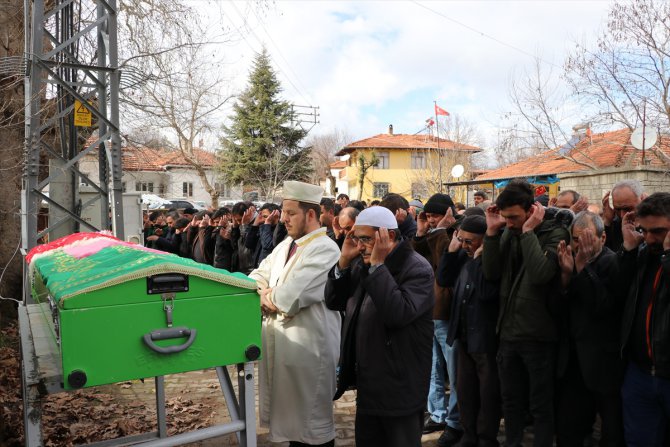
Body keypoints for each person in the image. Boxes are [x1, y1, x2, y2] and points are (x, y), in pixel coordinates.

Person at [325, 206, 434, 447]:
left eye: (366, 239)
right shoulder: (361, 262)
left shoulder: (417, 268)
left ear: (389, 236)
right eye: (357, 238)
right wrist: (343, 261)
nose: (360, 245)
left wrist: (377, 268)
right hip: (370, 381)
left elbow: (398, 313)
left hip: (400, 384)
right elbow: (334, 301)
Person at [248, 181, 341, 447]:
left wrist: (267, 295)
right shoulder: (286, 244)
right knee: (292, 428)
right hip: (284, 345)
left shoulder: (325, 248)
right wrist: (266, 292)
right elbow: (256, 275)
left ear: (310, 215)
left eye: (291, 213)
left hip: (309, 349)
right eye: (283, 211)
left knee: (312, 427)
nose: (283, 219)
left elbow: (291, 297)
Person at [482, 179, 570, 447]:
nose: (509, 222)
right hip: (508, 333)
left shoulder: (556, 233)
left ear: (531, 210)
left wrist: (529, 233)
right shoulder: (508, 230)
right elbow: (491, 273)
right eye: (505, 217)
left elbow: (541, 274)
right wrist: (491, 234)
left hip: (539, 334)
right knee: (511, 402)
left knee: (540, 404)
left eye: (514, 217)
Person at [555, 211, 624, 447]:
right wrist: (565, 276)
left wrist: (583, 269)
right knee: (569, 426)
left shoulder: (612, 262)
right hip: (573, 360)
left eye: (586, 238)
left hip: (602, 362)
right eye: (575, 239)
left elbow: (603, 307)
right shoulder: (569, 261)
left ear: (602, 239)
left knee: (611, 428)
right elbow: (560, 309)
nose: (580, 245)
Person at [438, 215, 501, 447]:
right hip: (464, 336)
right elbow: (443, 278)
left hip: (484, 338)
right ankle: (469, 434)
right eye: (461, 240)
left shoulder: (490, 260)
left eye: (469, 241)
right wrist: (452, 251)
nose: (465, 245)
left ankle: (486, 437)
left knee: (487, 394)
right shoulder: (462, 255)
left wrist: (477, 258)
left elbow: (486, 292)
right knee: (464, 391)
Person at [618, 192, 670, 447]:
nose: (648, 238)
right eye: (643, 230)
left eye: (658, 231)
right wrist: (628, 250)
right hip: (639, 374)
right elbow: (617, 295)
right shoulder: (642, 254)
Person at [413, 193, 462, 443]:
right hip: (429, 311)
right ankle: (437, 413)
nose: (431, 220)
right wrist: (421, 231)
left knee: (453, 371)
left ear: (448, 213)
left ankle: (455, 420)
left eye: (435, 215)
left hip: (447, 312)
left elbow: (445, 264)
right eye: (428, 215)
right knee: (433, 367)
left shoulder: (456, 234)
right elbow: (419, 256)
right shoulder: (434, 234)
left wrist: (442, 229)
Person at [602, 179, 644, 251]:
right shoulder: (614, 224)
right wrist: (607, 222)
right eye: (618, 209)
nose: (622, 215)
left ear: (641, 199)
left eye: (627, 208)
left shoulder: (655, 221)